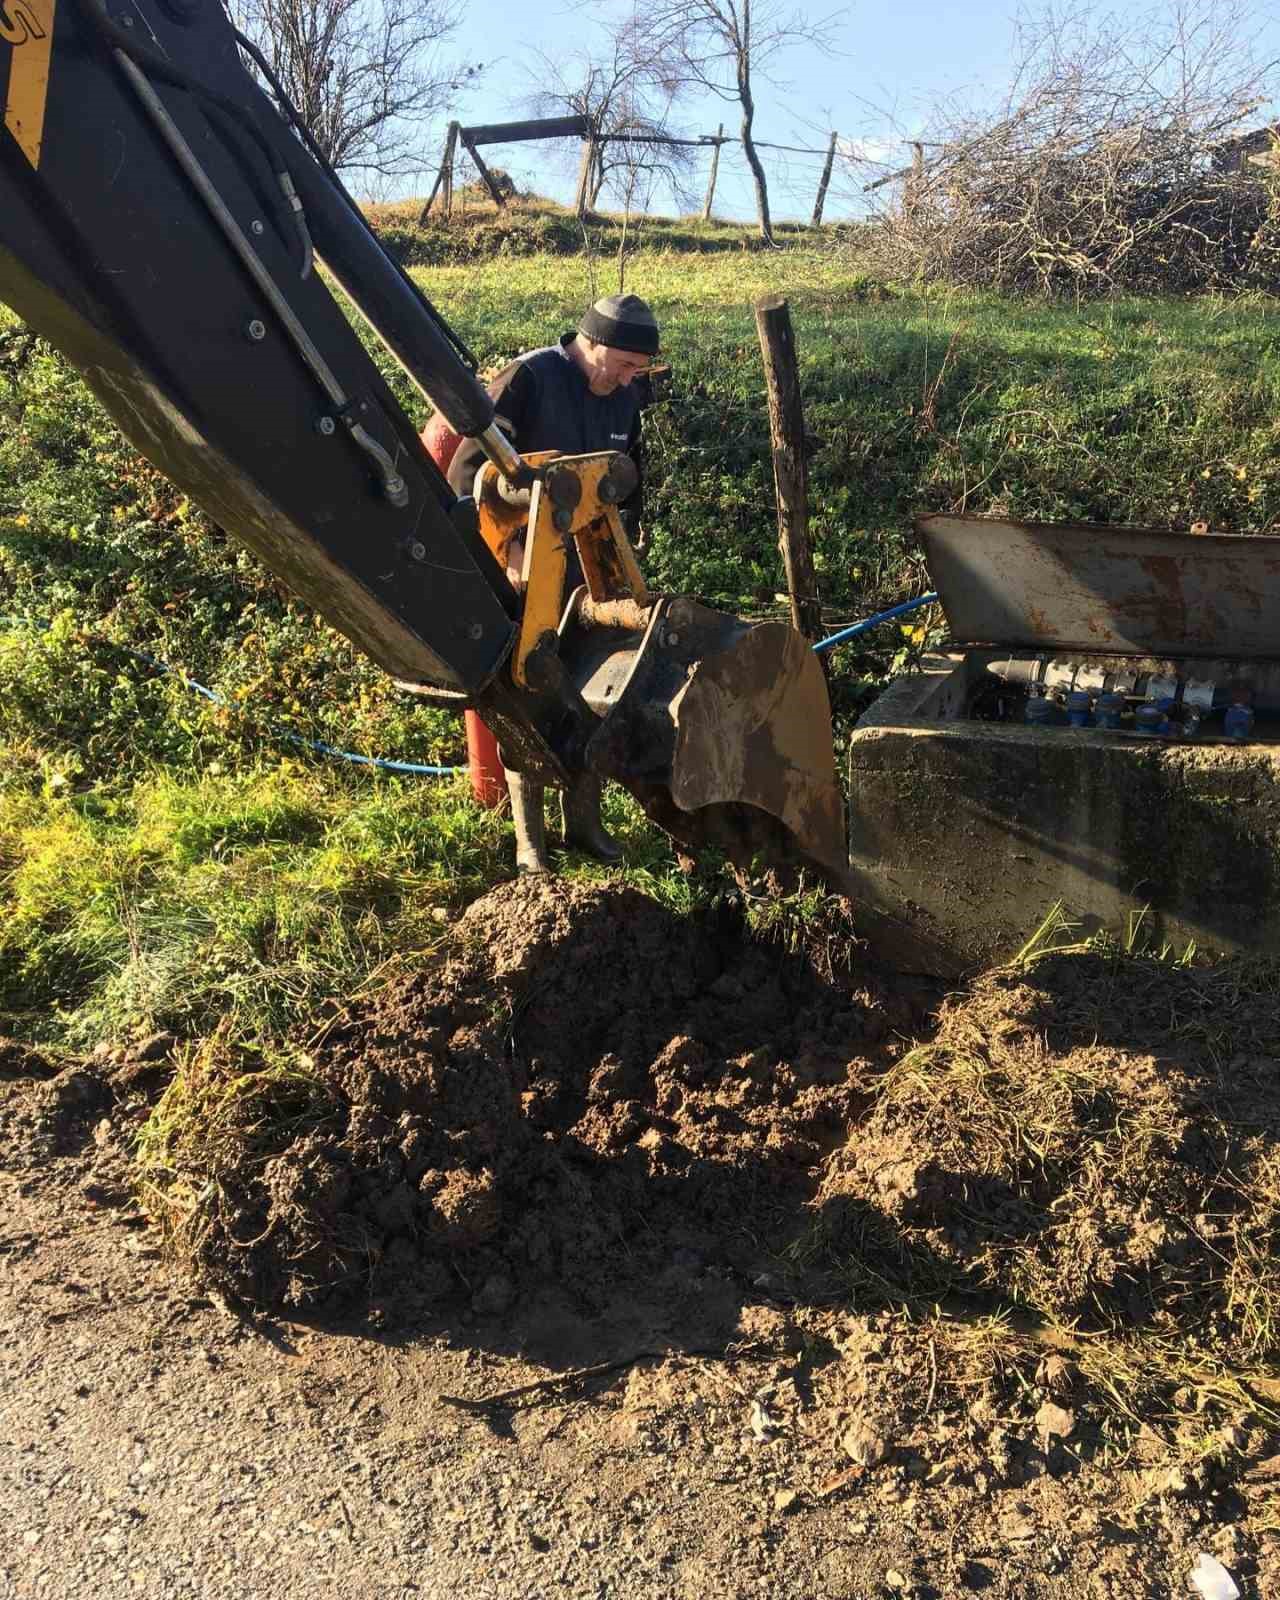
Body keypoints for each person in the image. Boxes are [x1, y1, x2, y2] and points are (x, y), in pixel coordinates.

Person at [444, 294, 661, 875]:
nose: (628, 380)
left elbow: (624, 473)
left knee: (589, 690)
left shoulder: (625, 395)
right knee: (528, 698)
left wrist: (630, 532)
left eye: (638, 371)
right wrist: (509, 548)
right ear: (590, 341)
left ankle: (584, 822)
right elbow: (468, 472)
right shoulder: (529, 379)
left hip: (586, 579)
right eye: (622, 365)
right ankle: (530, 842)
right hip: (522, 572)